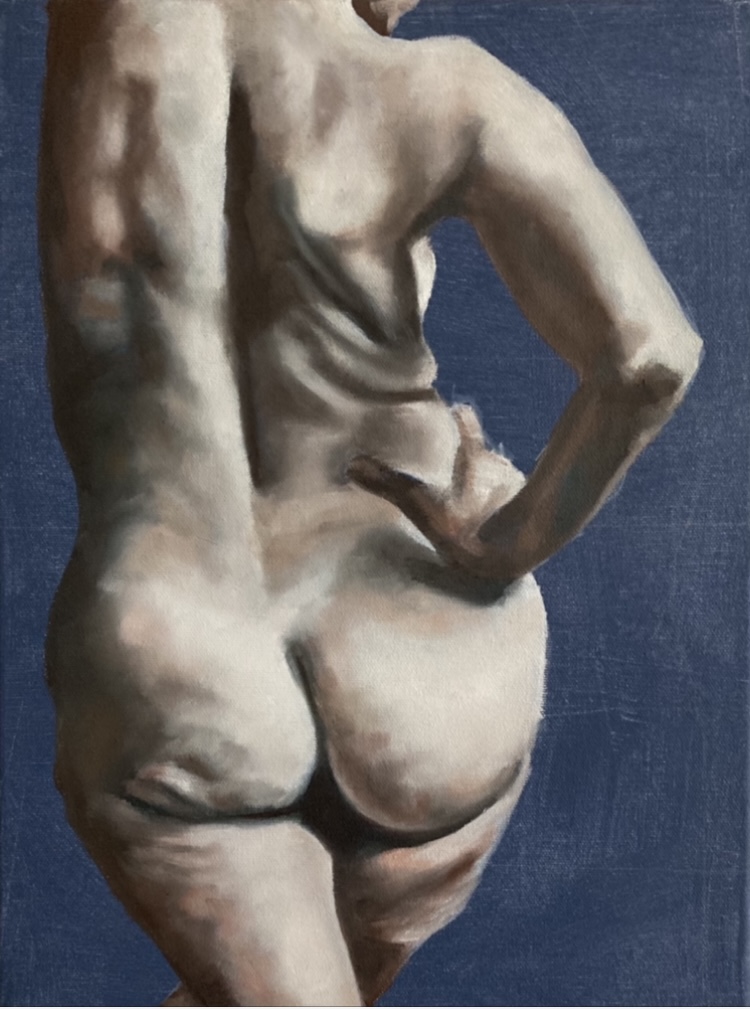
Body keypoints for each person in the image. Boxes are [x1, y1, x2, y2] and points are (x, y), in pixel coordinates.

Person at [38, 0, 702, 1004]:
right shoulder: (443, 90)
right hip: (420, 652)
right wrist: (505, 541)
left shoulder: (112, 22)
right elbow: (651, 356)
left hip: (176, 644)